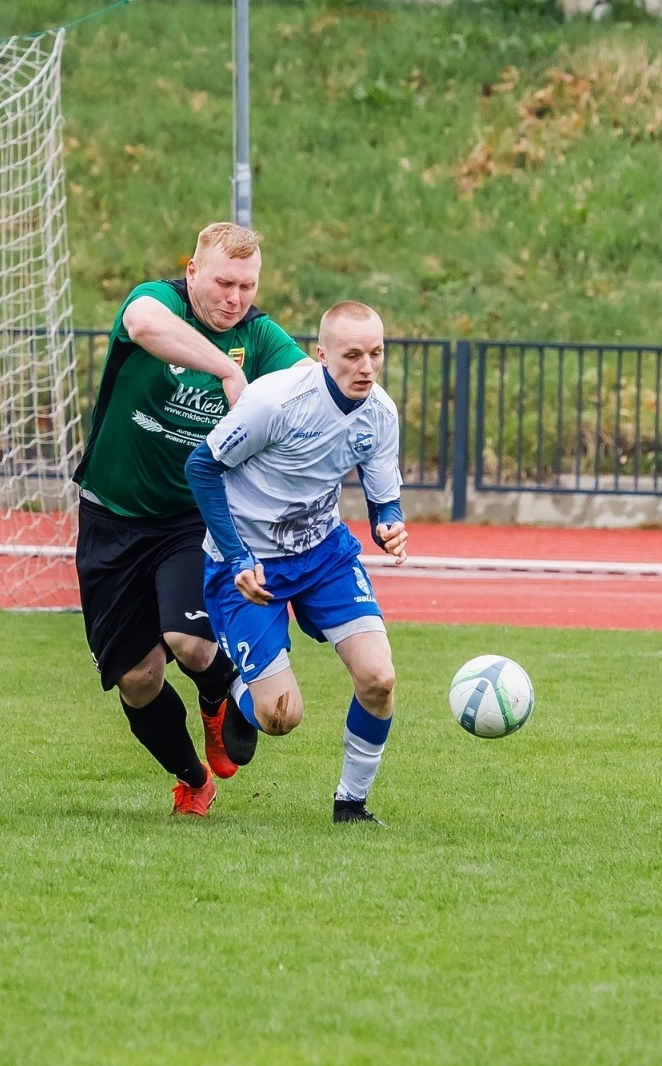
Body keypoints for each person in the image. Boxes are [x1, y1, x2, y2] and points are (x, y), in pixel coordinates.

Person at [74, 223, 306, 816]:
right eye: (223, 282)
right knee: (138, 679)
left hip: (191, 522)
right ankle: (192, 777)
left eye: (247, 286)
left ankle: (216, 697)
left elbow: (311, 391)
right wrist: (228, 372)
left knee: (191, 644)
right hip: (112, 518)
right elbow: (142, 326)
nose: (235, 298)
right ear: (193, 270)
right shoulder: (156, 300)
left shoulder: (261, 337)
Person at [185, 301, 408, 825]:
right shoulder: (276, 402)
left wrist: (388, 525)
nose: (367, 368)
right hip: (248, 564)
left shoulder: (379, 412)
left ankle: (351, 804)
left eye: (376, 353)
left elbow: (383, 497)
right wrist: (236, 554)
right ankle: (231, 689)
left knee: (379, 677)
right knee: (282, 717)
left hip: (323, 553)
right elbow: (202, 466)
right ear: (322, 354)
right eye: (353, 355)